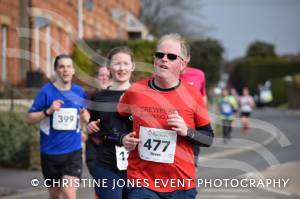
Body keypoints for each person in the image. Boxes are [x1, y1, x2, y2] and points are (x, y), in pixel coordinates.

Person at [118, 33, 214, 199]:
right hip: (141, 182)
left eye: (171, 56)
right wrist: (122, 138)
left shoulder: (192, 95)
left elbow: (208, 138)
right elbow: (117, 119)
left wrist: (187, 131)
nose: (164, 59)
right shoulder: (135, 90)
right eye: (160, 55)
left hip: (180, 185)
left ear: (182, 64)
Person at [25, 54, 89, 199]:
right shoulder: (46, 92)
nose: (65, 70)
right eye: (61, 67)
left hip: (73, 152)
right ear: (56, 71)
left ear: (73, 70)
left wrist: (85, 122)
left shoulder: (79, 92)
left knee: (69, 193)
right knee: (55, 196)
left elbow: (85, 116)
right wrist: (48, 111)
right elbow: (28, 119)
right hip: (50, 153)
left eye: (68, 66)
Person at [87, 46, 135, 199]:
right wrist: (91, 126)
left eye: (126, 64)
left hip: (137, 165)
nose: (122, 68)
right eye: (117, 64)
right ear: (108, 67)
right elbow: (94, 124)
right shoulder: (99, 97)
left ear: (132, 66)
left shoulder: (142, 95)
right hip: (107, 162)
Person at [85, 65, 111, 176]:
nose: (104, 78)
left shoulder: (119, 96)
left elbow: (130, 117)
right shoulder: (89, 96)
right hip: (94, 142)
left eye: (107, 75)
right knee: (98, 177)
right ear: (96, 78)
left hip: (113, 143)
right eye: (101, 75)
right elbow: (83, 116)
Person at [180, 66, 207, 168]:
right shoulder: (163, 74)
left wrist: (203, 118)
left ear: (187, 59)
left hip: (193, 125)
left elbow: (203, 96)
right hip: (171, 126)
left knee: (192, 163)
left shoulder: (198, 74)